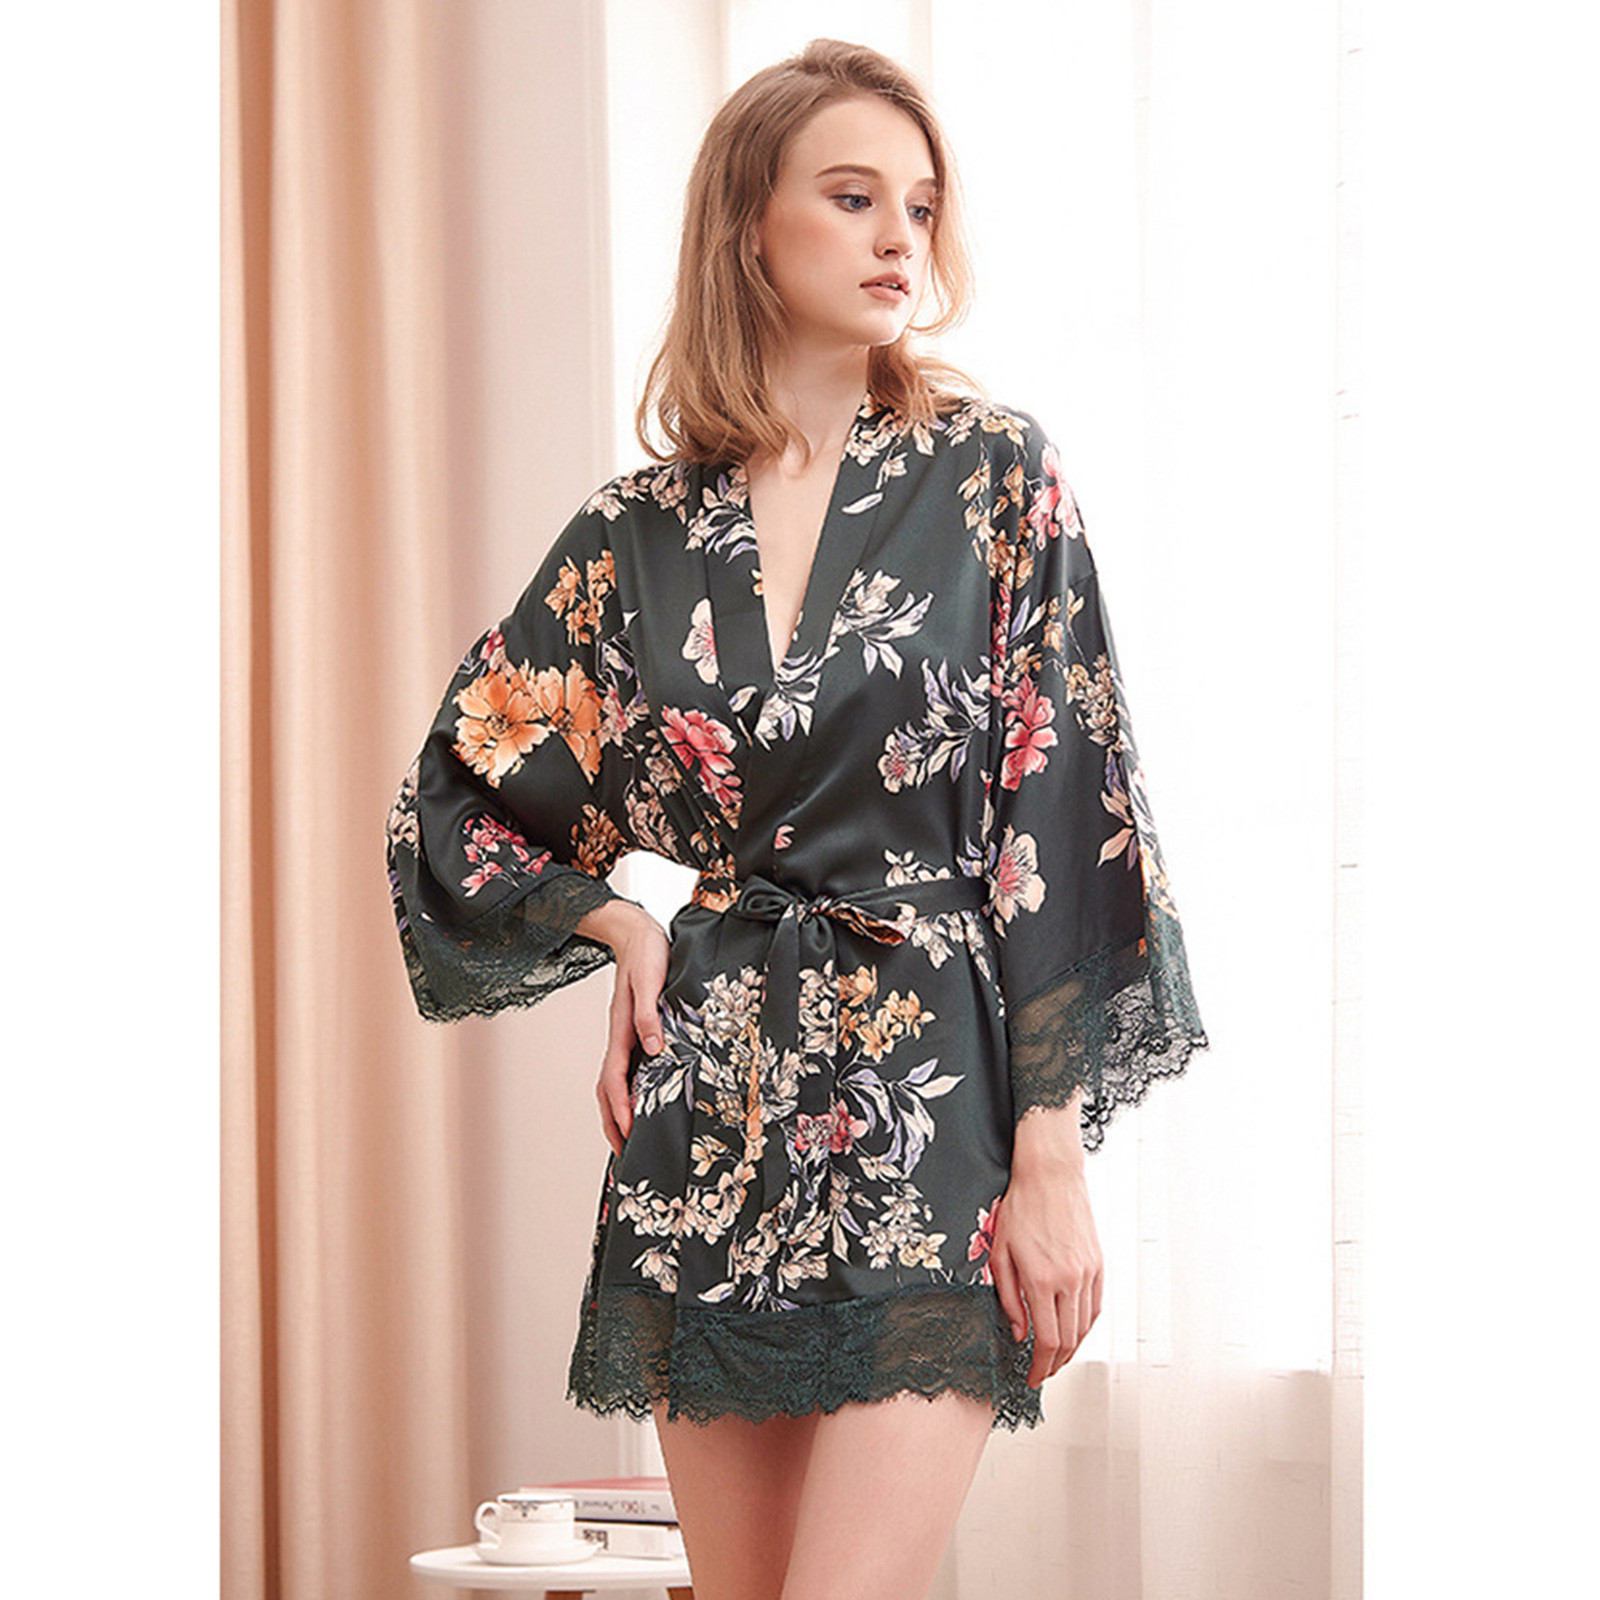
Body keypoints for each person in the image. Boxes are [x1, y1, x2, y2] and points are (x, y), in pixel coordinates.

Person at [385, 37, 1209, 1600]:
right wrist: (619, 923)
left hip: (929, 1099)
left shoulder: (994, 479)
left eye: (920, 204)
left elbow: (1064, 809)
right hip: (715, 1104)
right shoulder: (634, 536)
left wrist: (1050, 1156)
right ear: (748, 226)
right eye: (852, 197)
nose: (902, 237)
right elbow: (464, 785)